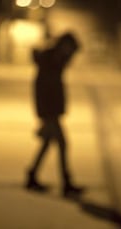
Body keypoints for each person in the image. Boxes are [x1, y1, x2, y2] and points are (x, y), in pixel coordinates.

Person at [25, 32, 84, 198]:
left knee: (47, 144)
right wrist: (45, 114)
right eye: (71, 51)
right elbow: (42, 89)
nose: (71, 56)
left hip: (51, 112)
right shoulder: (49, 62)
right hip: (49, 113)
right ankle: (66, 184)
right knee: (62, 144)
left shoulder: (54, 62)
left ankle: (31, 176)